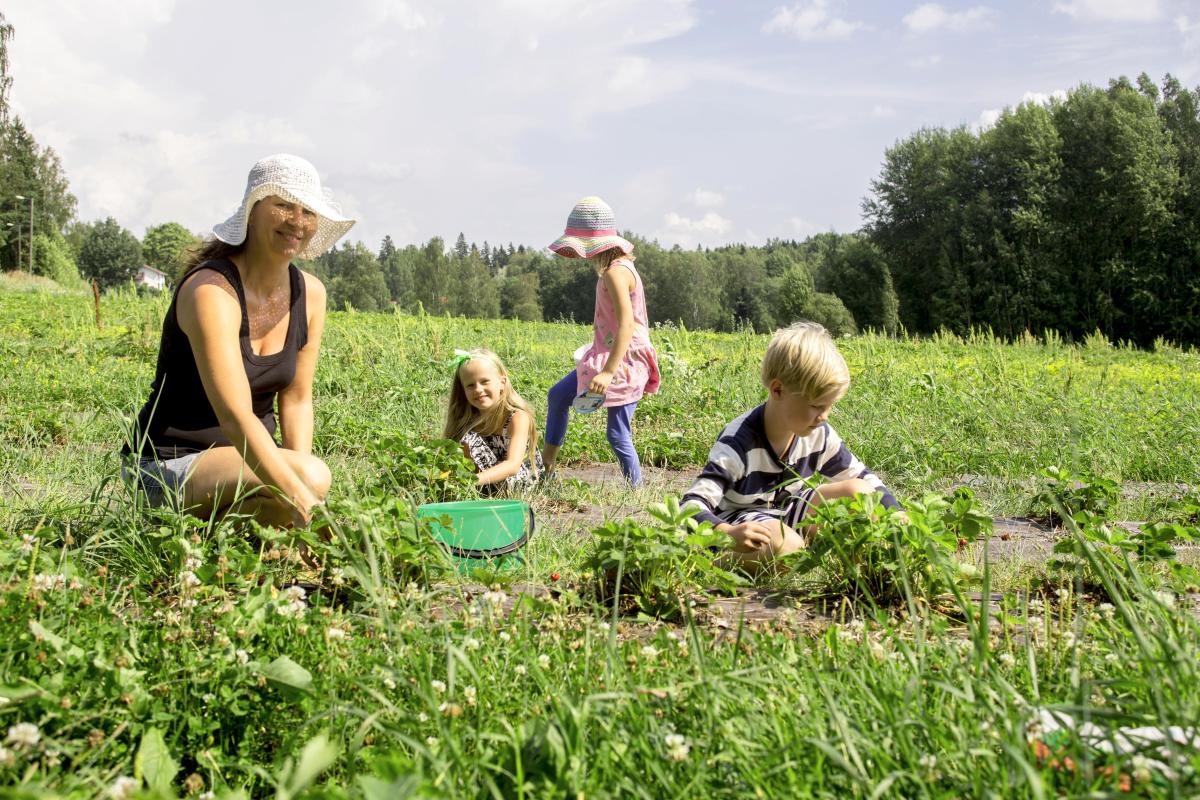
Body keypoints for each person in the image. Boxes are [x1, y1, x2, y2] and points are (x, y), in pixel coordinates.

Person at [122, 153, 355, 527]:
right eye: (283, 206)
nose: (297, 221)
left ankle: (212, 532)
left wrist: (299, 487)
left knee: (304, 484)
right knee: (309, 480)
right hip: (169, 464)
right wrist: (305, 497)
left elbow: (297, 400)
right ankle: (184, 520)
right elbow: (234, 416)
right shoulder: (211, 291)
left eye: (308, 212)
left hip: (247, 463)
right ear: (252, 210)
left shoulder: (310, 294)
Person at [681, 321, 899, 568]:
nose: (824, 415)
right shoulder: (738, 443)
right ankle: (711, 561)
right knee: (787, 548)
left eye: (829, 406)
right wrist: (726, 534)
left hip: (788, 510)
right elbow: (690, 505)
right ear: (777, 390)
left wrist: (899, 515)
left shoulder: (819, 433)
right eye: (817, 406)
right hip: (743, 523)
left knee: (860, 494)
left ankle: (858, 564)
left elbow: (863, 476)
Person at [541, 196, 660, 486]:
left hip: (623, 360)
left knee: (617, 433)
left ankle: (638, 492)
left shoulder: (616, 274)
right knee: (558, 396)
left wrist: (607, 372)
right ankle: (546, 470)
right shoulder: (617, 269)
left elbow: (626, 325)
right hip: (608, 354)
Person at [444, 348, 542, 493]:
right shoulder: (467, 420)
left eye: (484, 382)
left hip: (519, 482)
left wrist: (472, 480)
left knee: (469, 439)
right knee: (465, 438)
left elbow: (513, 465)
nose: (478, 389)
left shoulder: (517, 417)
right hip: (483, 482)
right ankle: (476, 490)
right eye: (470, 385)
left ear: (502, 382)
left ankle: (478, 489)